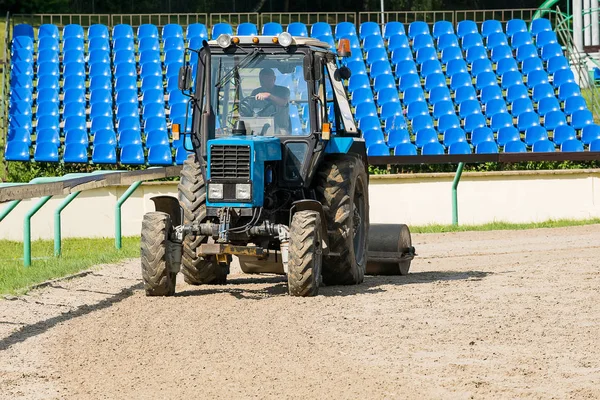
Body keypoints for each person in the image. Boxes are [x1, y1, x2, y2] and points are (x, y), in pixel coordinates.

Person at [250, 68, 291, 133]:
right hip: (260, 129)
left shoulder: (283, 91)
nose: (265, 83)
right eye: (262, 81)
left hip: (281, 129)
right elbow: (250, 107)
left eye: (268, 80)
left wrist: (269, 96)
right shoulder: (255, 92)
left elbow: (283, 103)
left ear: (274, 79)